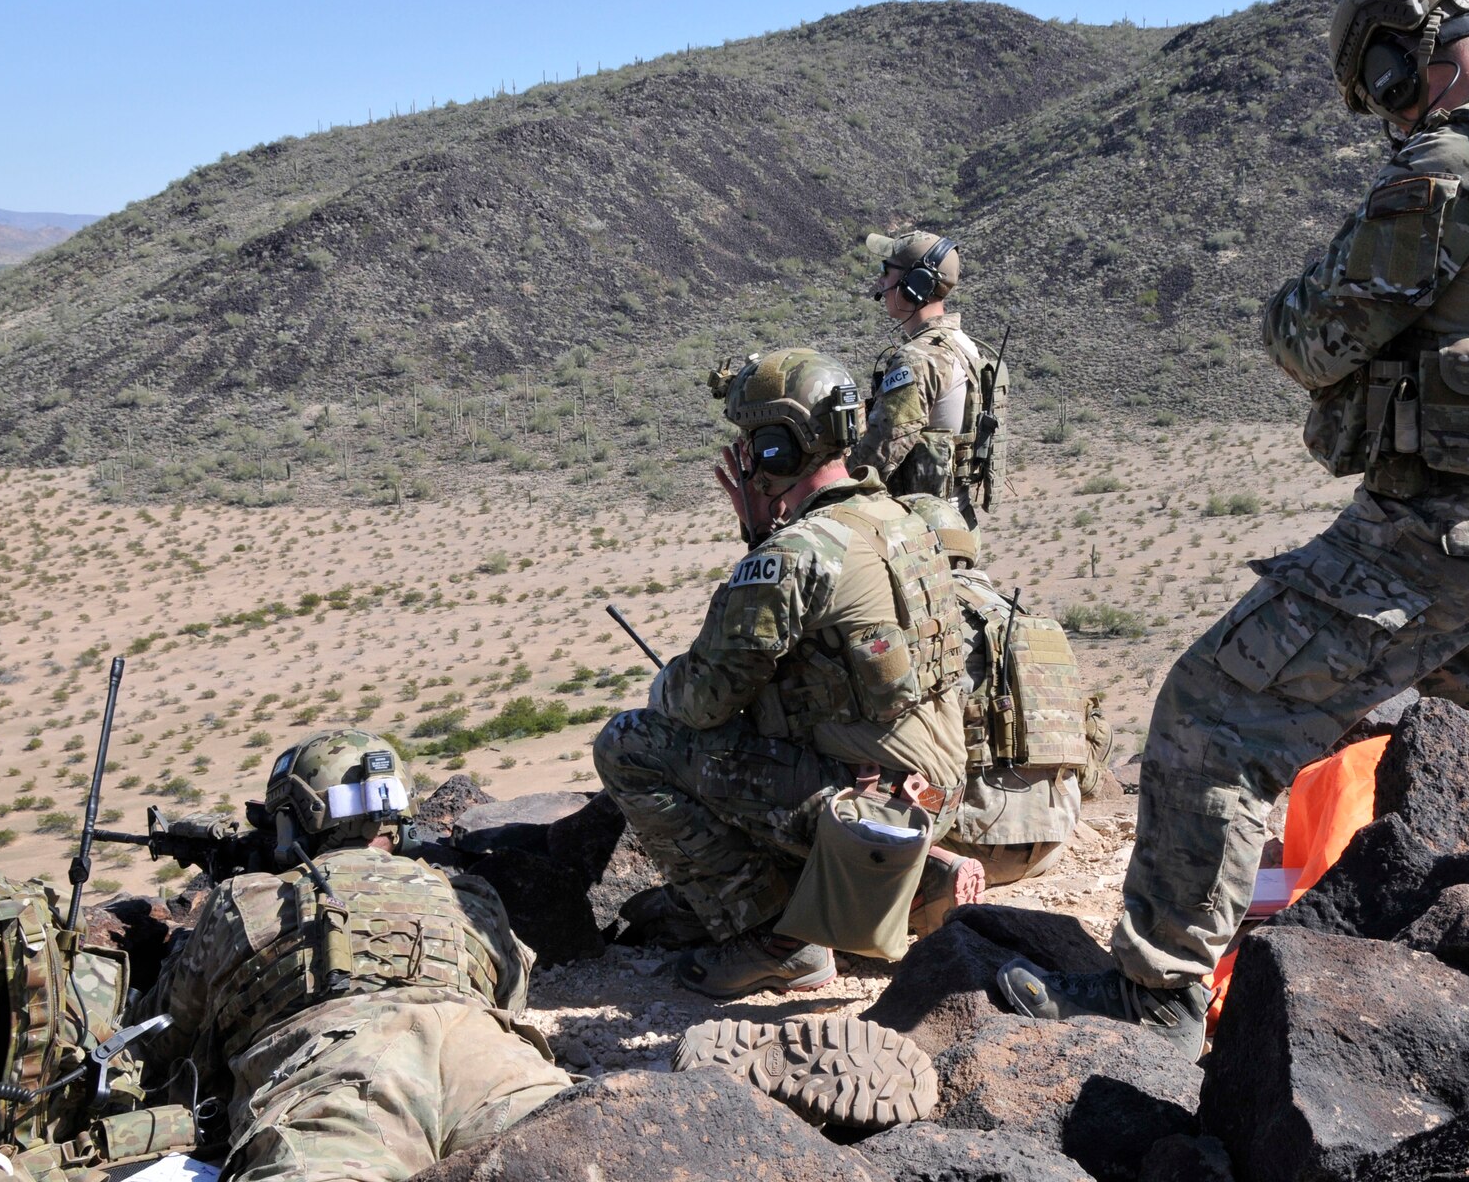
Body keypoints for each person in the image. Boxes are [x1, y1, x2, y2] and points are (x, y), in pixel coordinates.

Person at [998, 0, 1469, 1049]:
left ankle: (1154, 998)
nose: (1382, 110)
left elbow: (1314, 336)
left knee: (1216, 713)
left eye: (1377, 84)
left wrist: (1288, 303)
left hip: (1449, 524)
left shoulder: (1453, 162)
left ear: (1399, 53)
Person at [593, 348, 971, 1000]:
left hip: (867, 806)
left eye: (753, 441)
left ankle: (779, 939)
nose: (744, 456)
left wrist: (665, 685)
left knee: (632, 743)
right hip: (933, 796)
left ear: (777, 449)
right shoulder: (903, 519)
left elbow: (703, 699)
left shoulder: (795, 554)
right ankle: (892, 876)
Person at [136, 730, 573, 1182]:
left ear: (293, 821)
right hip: (491, 1057)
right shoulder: (469, 896)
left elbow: (163, 1035)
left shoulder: (244, 901)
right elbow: (512, 1002)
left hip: (338, 1075)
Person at [900, 495, 1098, 934]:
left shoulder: (926, 615)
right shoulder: (1022, 616)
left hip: (971, 838)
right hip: (1051, 840)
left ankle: (927, 885)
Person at [851, 230, 1007, 525]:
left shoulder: (918, 359)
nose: (881, 282)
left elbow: (877, 457)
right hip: (954, 519)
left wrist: (826, 494)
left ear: (916, 283)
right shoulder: (964, 344)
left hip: (922, 531)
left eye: (887, 271)